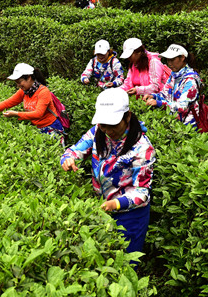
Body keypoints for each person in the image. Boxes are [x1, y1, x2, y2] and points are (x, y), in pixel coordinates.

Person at [61, 88, 155, 255]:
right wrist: (68, 159)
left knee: (126, 260)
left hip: (130, 215)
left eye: (113, 125)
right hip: (103, 207)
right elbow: (74, 150)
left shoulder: (142, 148)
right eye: (104, 125)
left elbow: (142, 192)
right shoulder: (98, 131)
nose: (108, 130)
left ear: (127, 117)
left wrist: (115, 204)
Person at [0, 63, 66, 144]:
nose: (18, 85)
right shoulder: (24, 91)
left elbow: (39, 113)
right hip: (36, 128)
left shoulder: (43, 92)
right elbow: (9, 102)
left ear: (29, 77)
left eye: (19, 82)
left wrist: (16, 114)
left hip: (51, 128)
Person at [143, 44, 201, 129]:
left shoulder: (191, 80)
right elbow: (165, 94)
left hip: (188, 127)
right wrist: (154, 96)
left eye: (172, 59)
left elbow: (182, 106)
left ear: (182, 58)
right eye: (168, 60)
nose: (169, 63)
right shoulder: (174, 75)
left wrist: (159, 103)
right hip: (174, 122)